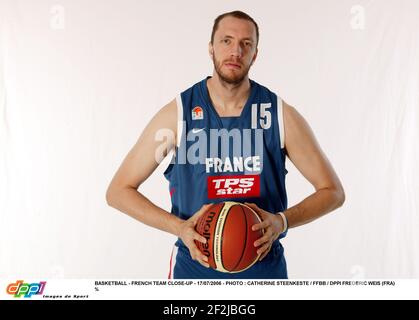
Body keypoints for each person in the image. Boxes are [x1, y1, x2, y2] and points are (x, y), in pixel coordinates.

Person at [106, 10, 345, 279]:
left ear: (255, 54)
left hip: (263, 268)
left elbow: (333, 192)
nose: (236, 51)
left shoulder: (279, 115)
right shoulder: (179, 114)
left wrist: (282, 220)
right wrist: (179, 227)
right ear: (211, 48)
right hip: (193, 268)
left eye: (246, 44)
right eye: (226, 41)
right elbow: (118, 191)